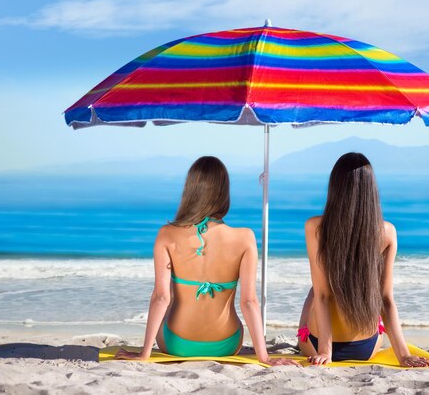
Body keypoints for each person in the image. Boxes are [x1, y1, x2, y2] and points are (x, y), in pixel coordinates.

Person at [116, 156, 296, 366]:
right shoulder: (245, 237)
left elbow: (160, 298)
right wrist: (264, 357)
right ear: (223, 192)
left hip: (176, 343)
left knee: (174, 293)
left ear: (190, 191)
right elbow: (249, 302)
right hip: (226, 343)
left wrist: (144, 354)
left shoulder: (166, 234)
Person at [297, 152, 429, 367]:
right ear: (371, 190)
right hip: (366, 347)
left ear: (335, 187)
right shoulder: (387, 232)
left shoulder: (315, 227)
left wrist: (325, 351)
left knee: (315, 290)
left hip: (316, 343)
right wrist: (404, 355)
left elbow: (322, 296)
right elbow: (386, 299)